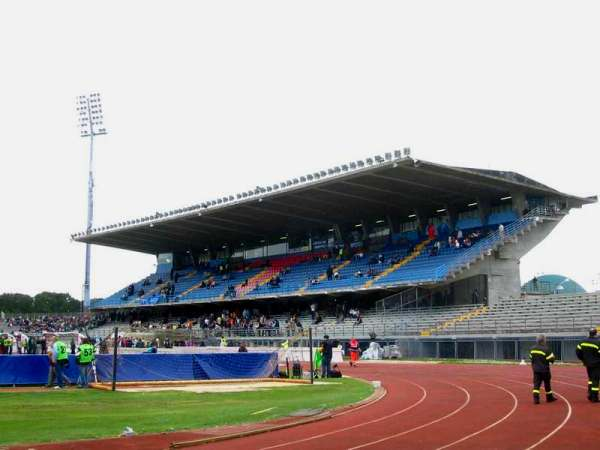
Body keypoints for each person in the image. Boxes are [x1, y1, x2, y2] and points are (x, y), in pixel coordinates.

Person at [529, 334, 556, 404]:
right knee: (547, 384)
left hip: (536, 370)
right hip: (545, 370)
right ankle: (549, 398)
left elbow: (531, 357)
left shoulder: (532, 349)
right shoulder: (546, 349)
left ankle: (536, 399)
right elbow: (552, 359)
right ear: (543, 340)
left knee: (536, 384)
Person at [576, 328, 600, 402]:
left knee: (591, 379)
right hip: (596, 364)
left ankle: (590, 393)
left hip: (587, 364)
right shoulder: (598, 343)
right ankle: (594, 397)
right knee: (595, 380)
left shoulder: (582, 342)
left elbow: (578, 351)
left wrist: (583, 359)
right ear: (596, 334)